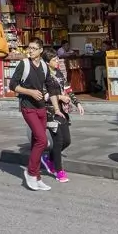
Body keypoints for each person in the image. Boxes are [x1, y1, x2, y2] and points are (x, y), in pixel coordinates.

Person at [8, 41, 52, 191]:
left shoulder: (44, 66)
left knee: (36, 142)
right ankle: (31, 173)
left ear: (41, 50)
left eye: (34, 48)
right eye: (29, 48)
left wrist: (53, 98)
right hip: (28, 107)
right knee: (42, 140)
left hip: (41, 108)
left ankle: (37, 177)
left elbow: (48, 84)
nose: (31, 51)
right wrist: (30, 92)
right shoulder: (24, 64)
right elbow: (13, 85)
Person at [40, 50, 83, 183]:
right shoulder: (43, 75)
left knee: (67, 141)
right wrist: (60, 97)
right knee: (58, 140)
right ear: (47, 63)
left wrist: (77, 103)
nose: (57, 61)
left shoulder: (59, 73)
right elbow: (45, 95)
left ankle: (49, 158)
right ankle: (59, 171)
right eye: (54, 60)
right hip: (51, 111)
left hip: (63, 111)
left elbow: (68, 89)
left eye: (57, 59)